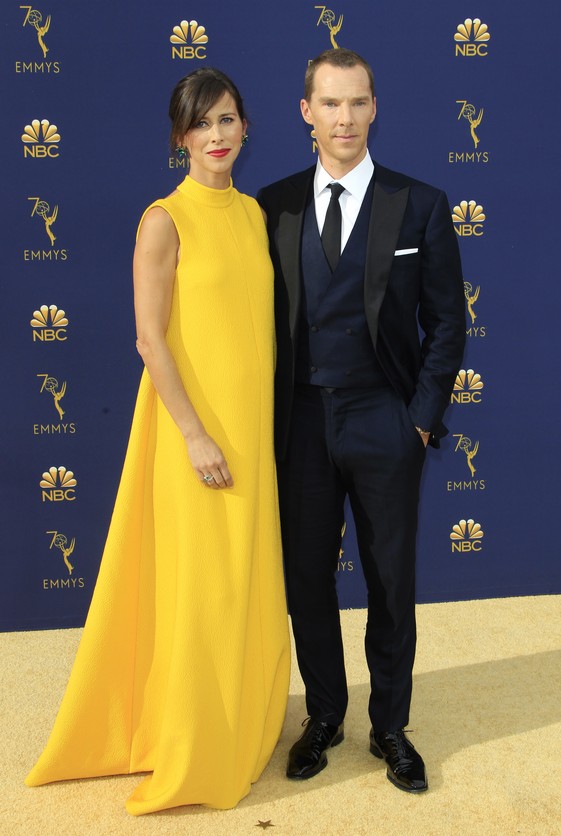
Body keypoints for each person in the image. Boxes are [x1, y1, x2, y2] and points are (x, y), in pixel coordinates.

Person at [26, 68, 290, 815]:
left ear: (246, 127)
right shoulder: (163, 221)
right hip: (193, 434)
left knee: (243, 580)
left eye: (229, 120)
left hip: (251, 427)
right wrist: (195, 434)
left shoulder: (250, 216)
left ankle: (243, 720)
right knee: (201, 590)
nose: (218, 136)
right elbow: (150, 338)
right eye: (202, 124)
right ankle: (192, 739)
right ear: (180, 137)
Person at [258, 48, 465, 793]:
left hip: (385, 418)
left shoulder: (420, 204)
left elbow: (448, 323)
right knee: (308, 578)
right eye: (331, 104)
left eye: (359, 103)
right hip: (301, 424)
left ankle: (389, 726)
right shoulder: (270, 206)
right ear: (306, 113)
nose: (345, 119)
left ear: (375, 108)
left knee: (390, 581)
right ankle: (324, 716)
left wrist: (418, 420)